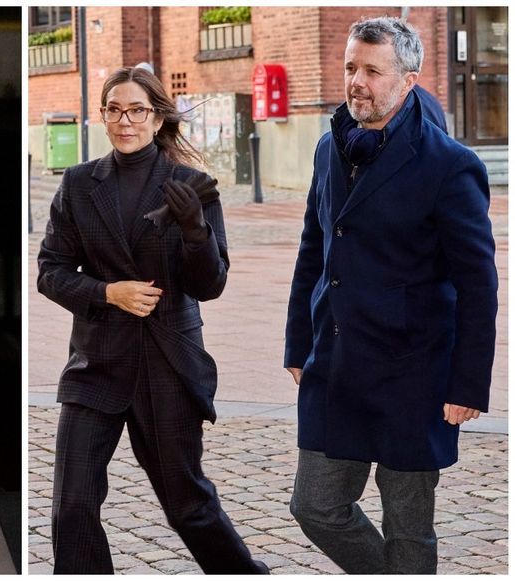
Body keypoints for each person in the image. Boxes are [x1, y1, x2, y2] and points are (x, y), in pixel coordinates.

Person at [284, 17, 497, 573]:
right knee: (315, 507)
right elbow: (314, 248)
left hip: (415, 373)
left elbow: (478, 284)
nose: (357, 81)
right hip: (336, 364)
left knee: (408, 528)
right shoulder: (329, 149)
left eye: (373, 71)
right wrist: (297, 345)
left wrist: (467, 382)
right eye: (351, 67)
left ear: (408, 80)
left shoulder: (451, 166)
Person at [38, 66, 267, 574]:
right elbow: (50, 273)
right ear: (102, 115)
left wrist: (194, 233)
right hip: (96, 364)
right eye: (114, 109)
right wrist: (107, 292)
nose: (125, 121)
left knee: (187, 504)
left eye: (136, 109)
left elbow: (210, 284)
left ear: (158, 116)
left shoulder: (191, 185)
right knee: (71, 505)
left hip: (166, 365)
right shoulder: (78, 185)